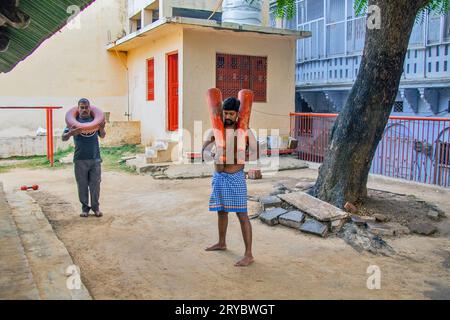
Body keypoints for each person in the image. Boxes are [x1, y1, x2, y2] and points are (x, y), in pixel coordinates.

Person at [202, 96, 259, 267]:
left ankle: (249, 254)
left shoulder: (244, 130)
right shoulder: (216, 129)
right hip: (219, 176)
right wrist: (212, 152)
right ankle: (222, 242)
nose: (227, 116)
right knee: (221, 212)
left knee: (242, 215)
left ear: (237, 114)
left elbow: (256, 152)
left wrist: (242, 152)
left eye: (231, 113)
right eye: (225, 113)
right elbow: (203, 150)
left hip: (236, 177)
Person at [62, 98, 106, 218]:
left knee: (95, 185)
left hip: (95, 158)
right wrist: (71, 133)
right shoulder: (73, 122)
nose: (84, 110)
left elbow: (102, 136)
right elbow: (63, 137)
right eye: (82, 107)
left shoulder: (95, 121)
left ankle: (96, 208)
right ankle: (85, 209)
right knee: (82, 185)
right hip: (80, 158)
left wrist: (101, 128)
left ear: (89, 108)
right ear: (78, 108)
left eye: (86, 107)